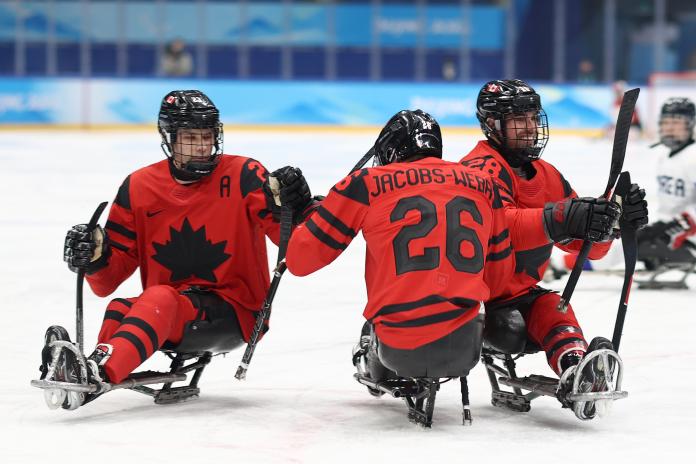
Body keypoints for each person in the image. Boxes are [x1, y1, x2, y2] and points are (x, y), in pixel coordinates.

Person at [52, 90, 313, 409]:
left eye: (208, 136)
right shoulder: (138, 187)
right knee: (120, 307)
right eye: (191, 137)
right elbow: (107, 282)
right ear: (169, 137)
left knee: (158, 297)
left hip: (236, 310)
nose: (203, 146)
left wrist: (297, 209)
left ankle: (96, 374)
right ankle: (97, 365)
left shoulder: (245, 175)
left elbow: (292, 245)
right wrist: (94, 259)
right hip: (166, 310)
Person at [459, 79, 649, 419]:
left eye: (533, 117)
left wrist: (609, 224)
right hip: (471, 296)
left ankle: (577, 371)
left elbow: (586, 248)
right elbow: (500, 227)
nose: (531, 128)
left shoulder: (547, 176)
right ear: (491, 124)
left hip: (517, 293)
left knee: (553, 307)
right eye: (520, 119)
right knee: (521, 317)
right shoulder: (478, 170)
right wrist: (562, 217)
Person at [637, 97, 696, 270]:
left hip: (687, 233)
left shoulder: (693, 156)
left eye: (677, 122)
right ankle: (566, 263)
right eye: (666, 122)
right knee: (627, 236)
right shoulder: (664, 156)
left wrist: (680, 227)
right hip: (672, 226)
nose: (670, 127)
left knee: (632, 243)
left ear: (690, 125)